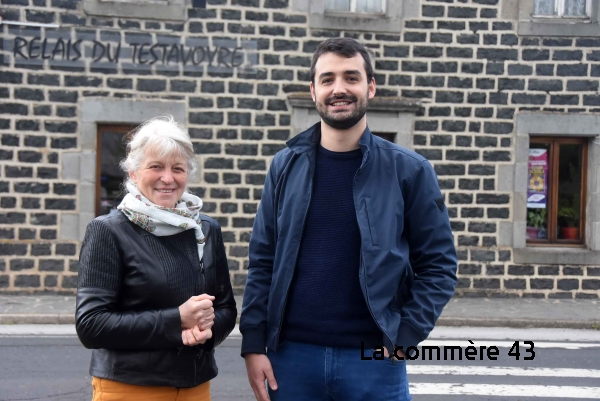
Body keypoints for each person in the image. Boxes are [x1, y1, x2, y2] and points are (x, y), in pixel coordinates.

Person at [240, 37, 458, 401]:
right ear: (313, 91)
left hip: (374, 359)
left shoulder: (410, 171)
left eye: (351, 77)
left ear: (370, 87)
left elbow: (439, 264)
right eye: (327, 79)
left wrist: (406, 336)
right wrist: (253, 343)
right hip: (290, 359)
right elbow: (263, 260)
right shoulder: (284, 166)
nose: (339, 89)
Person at [76, 116, 237, 401]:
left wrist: (204, 331)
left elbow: (225, 307)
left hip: (195, 386)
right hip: (129, 387)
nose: (168, 178)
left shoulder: (206, 230)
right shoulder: (108, 231)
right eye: (156, 167)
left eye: (178, 168)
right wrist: (177, 321)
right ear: (134, 173)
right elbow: (91, 324)